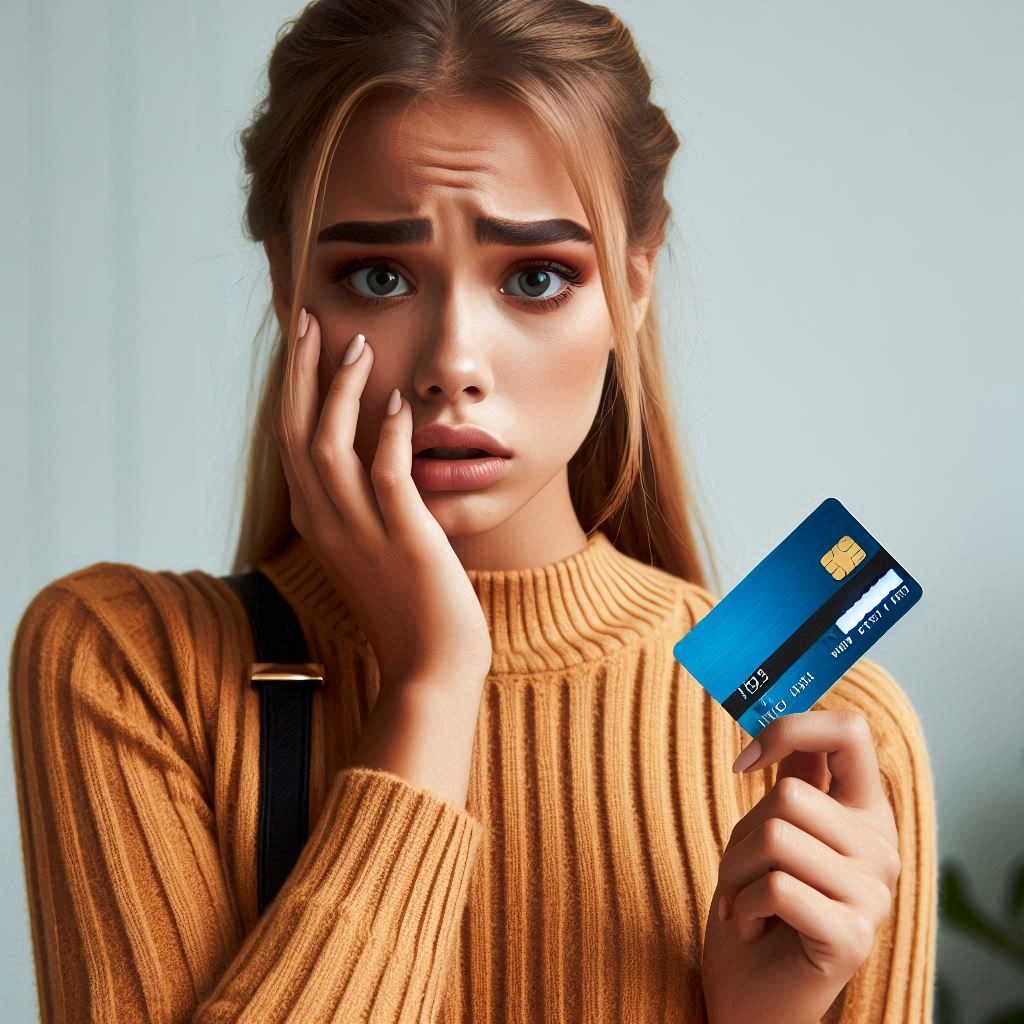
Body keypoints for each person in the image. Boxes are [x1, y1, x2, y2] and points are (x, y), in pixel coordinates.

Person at [8, 1, 937, 1021]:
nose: (453, 361)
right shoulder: (128, 666)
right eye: (377, 274)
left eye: (536, 277)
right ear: (285, 285)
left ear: (634, 281)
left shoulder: (823, 746)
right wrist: (433, 681)